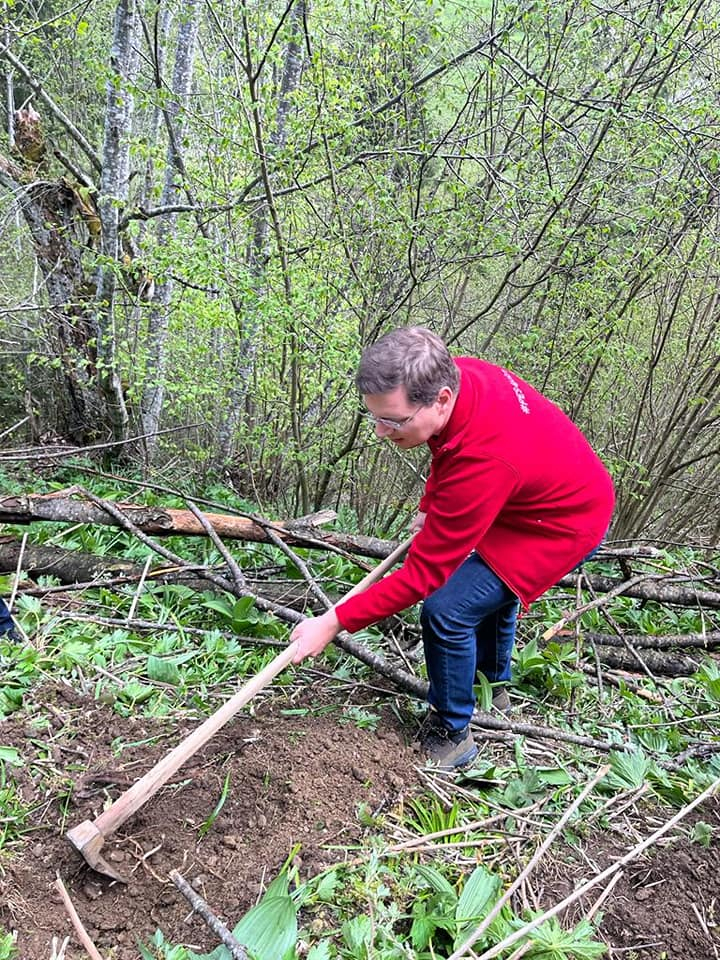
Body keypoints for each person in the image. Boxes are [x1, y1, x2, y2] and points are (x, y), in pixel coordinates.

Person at [290, 327, 615, 768]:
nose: (381, 432)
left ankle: (451, 733)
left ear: (440, 399)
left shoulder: (485, 461)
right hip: (533, 494)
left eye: (394, 420)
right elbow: (448, 447)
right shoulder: (462, 377)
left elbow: (423, 577)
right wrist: (431, 505)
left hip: (562, 523)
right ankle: (491, 688)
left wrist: (333, 622)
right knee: (484, 590)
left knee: (447, 610)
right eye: (375, 416)